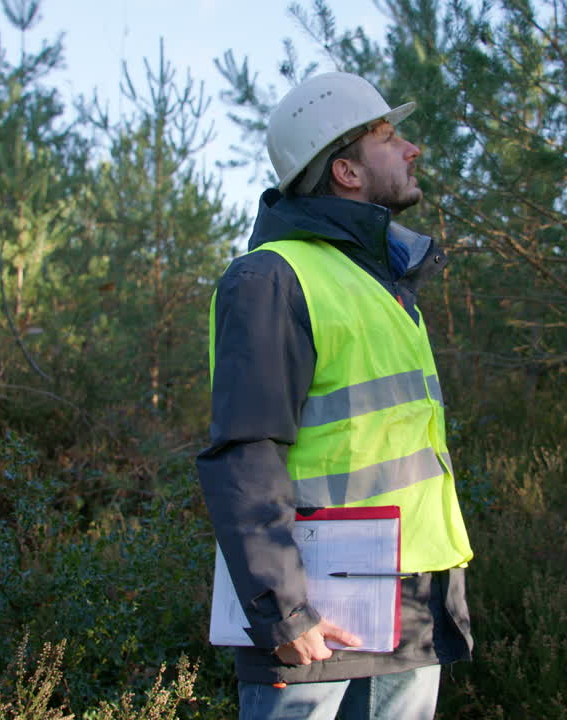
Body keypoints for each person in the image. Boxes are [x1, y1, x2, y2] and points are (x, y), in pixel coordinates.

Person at [197, 72, 474, 720]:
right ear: (346, 172)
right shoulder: (271, 278)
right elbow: (246, 454)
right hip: (316, 621)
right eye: (388, 136)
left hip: (410, 606)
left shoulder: (385, 287)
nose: (411, 149)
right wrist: (282, 610)